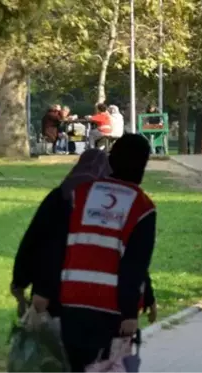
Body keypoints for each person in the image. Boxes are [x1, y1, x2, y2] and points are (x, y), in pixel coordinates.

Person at [55, 134, 156, 372]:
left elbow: (59, 244)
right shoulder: (142, 206)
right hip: (110, 308)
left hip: (70, 299)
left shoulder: (80, 193)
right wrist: (130, 313)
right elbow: (135, 263)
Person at [11, 149, 113, 317]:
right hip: (96, 293)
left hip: (53, 289)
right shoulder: (108, 207)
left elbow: (34, 240)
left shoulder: (59, 198)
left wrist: (21, 281)